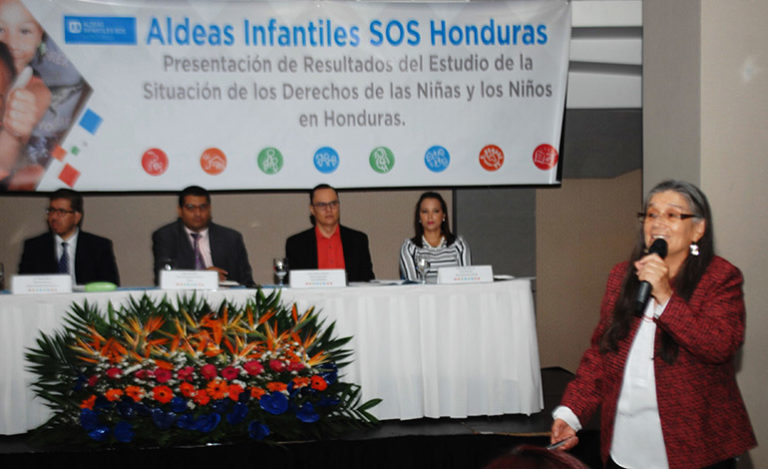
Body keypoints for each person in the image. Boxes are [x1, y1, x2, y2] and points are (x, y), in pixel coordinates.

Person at [550, 180, 756, 469]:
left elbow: (719, 345)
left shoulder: (720, 278)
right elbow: (601, 354)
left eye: (672, 215)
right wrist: (571, 413)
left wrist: (666, 297)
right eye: (651, 214)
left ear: (698, 229)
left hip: (697, 449)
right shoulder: (622, 275)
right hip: (625, 446)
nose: (658, 223)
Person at [152, 185, 254, 286]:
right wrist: (205, 276)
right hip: (183, 295)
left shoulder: (230, 238)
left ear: (209, 209)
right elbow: (164, 277)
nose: (198, 213)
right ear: (180, 211)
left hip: (225, 294)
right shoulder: (166, 236)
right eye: (191, 208)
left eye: (203, 207)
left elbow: (246, 280)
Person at [0, 0, 52, 190]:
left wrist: (14, 129)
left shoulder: (36, 90)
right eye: (1, 29)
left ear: (40, 36)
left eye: (24, 31)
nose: (12, 43)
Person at [18, 188, 119, 285]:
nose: (54, 217)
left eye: (61, 212)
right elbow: (23, 285)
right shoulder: (34, 247)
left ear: (76, 217)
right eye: (51, 211)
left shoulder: (99, 247)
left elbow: (111, 285)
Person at [285, 183, 374, 282]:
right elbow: (291, 282)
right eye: (322, 205)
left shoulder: (358, 240)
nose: (329, 209)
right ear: (312, 209)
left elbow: (368, 280)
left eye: (333, 204)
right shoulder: (297, 244)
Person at [399, 191, 471, 283]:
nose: (430, 217)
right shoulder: (410, 248)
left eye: (435, 211)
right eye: (425, 212)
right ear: (419, 217)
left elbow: (467, 283)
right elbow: (412, 286)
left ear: (443, 215)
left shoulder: (459, 245)